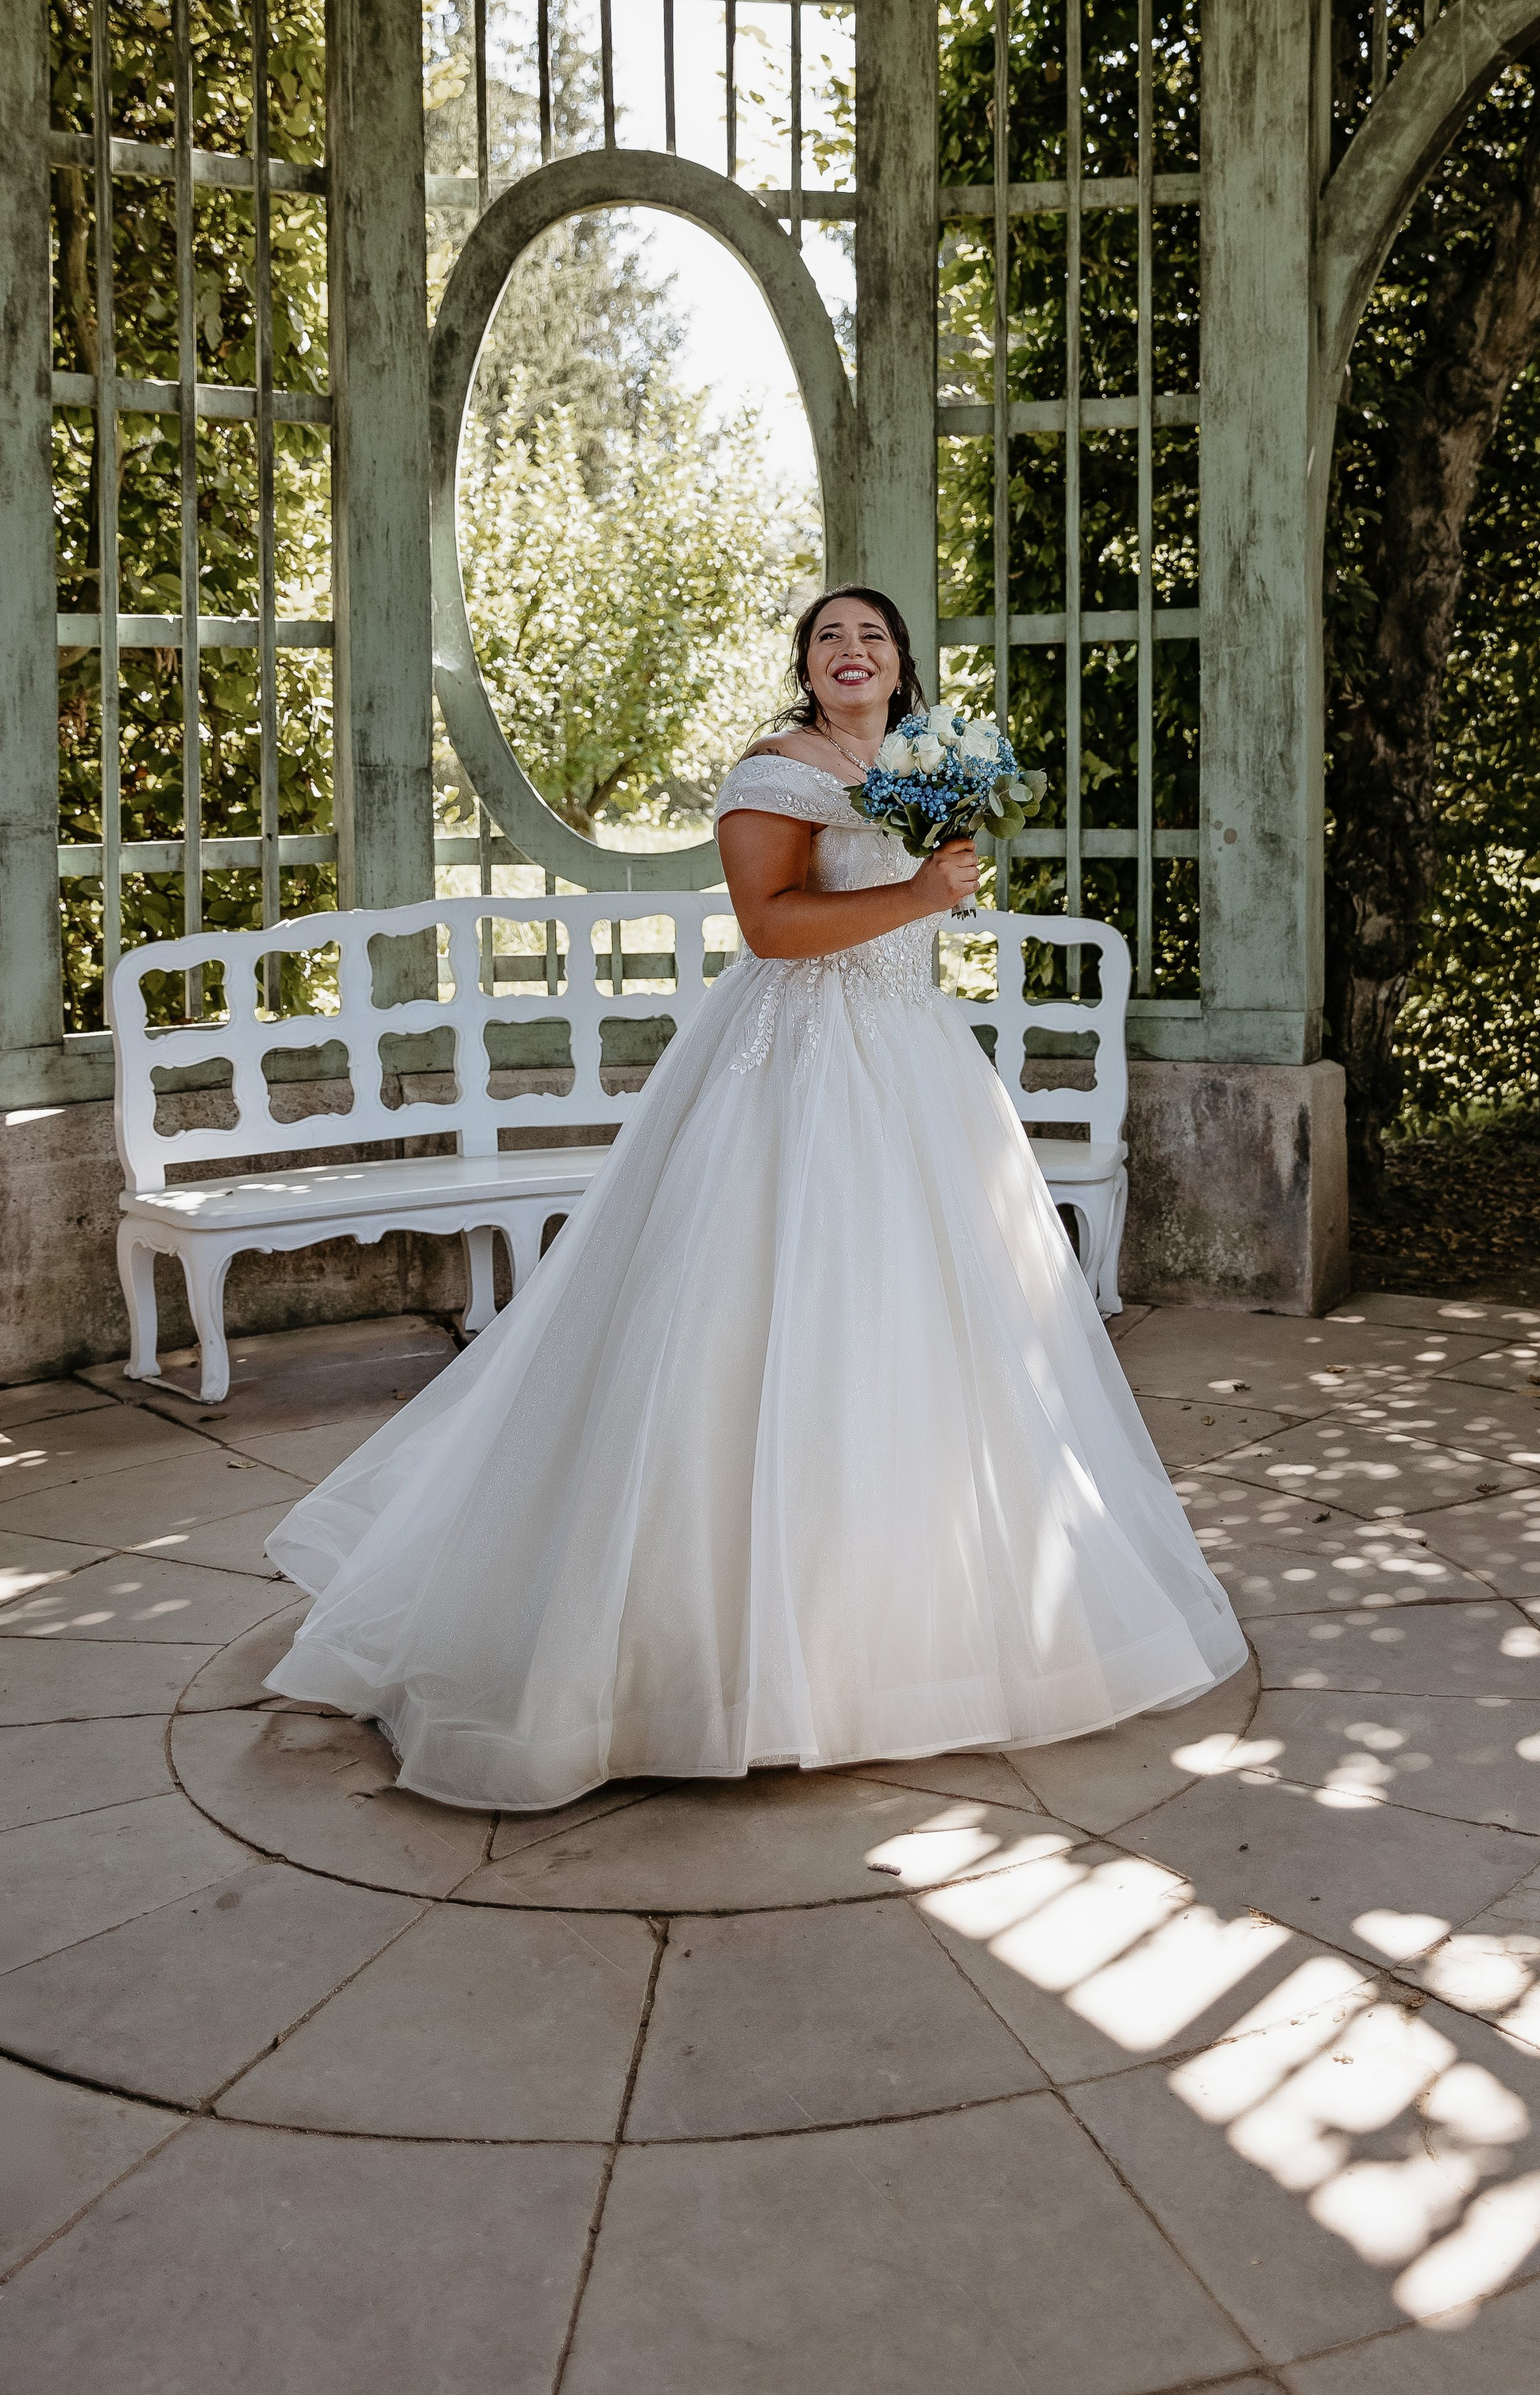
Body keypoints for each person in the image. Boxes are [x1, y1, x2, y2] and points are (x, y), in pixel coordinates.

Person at [264, 586, 1245, 1810]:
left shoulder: (925, 763)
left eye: (873, 636)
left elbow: (912, 904)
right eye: (830, 636)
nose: (852, 651)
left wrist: (939, 878)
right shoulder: (772, 771)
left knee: (923, 1335)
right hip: (792, 1063)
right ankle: (691, 1661)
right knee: (745, 1324)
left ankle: (901, 1630)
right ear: (805, 663)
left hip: (912, 1063)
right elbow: (775, 929)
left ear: (902, 667)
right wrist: (929, 897)